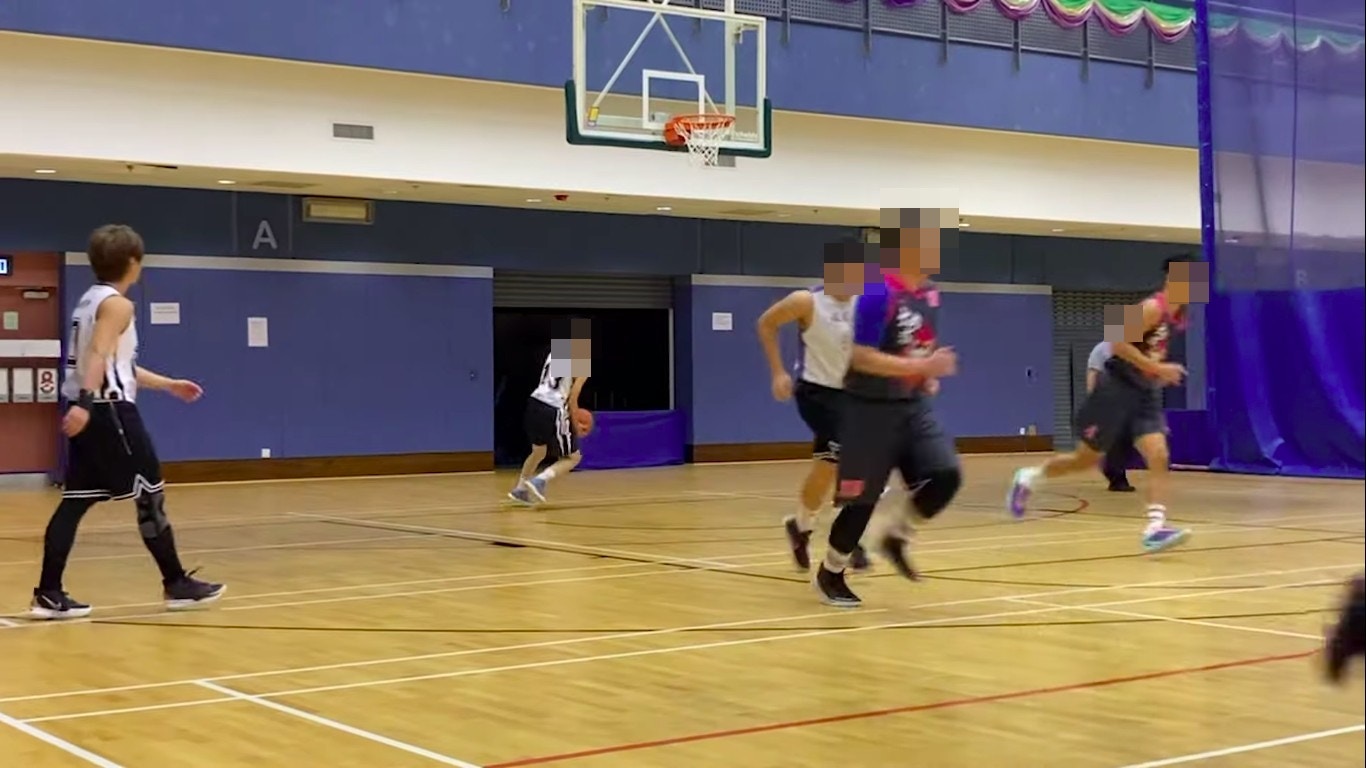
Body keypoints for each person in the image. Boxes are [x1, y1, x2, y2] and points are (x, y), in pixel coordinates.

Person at [31, 224, 225, 620]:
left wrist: (168, 384)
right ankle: (176, 583)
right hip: (111, 413)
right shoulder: (119, 305)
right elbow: (99, 355)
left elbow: (117, 365)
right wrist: (86, 405)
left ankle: (48, 593)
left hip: (96, 408)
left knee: (75, 501)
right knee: (150, 494)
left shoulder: (90, 300)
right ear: (134, 263)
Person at [1009, 257, 1208, 552]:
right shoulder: (1151, 307)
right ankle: (1030, 477)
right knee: (1084, 460)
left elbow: (1149, 350)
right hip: (1115, 389)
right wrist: (1156, 368)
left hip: (1144, 394)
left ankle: (1155, 528)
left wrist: (1156, 372)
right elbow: (1115, 340)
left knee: (1159, 454)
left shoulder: (1179, 314)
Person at [813, 214, 962, 608]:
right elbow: (860, 357)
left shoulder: (930, 294)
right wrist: (920, 366)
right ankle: (831, 570)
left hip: (911, 405)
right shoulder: (878, 293)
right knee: (861, 501)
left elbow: (920, 345)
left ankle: (896, 535)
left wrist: (926, 373)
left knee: (945, 474)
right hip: (867, 408)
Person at [758, 240, 870, 572]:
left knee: (826, 466)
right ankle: (847, 533)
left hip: (851, 395)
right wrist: (778, 372)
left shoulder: (864, 304)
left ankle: (801, 525)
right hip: (816, 393)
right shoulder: (806, 301)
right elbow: (766, 324)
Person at [508, 320, 591, 505]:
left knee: (538, 451)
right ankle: (539, 481)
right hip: (553, 408)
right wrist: (575, 425)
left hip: (535, 403)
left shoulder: (555, 353)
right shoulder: (582, 358)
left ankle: (520, 489)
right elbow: (573, 397)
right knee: (573, 457)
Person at [1086, 340, 1136, 492]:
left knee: (1128, 440)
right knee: (1116, 439)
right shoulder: (1101, 349)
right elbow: (1093, 374)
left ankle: (1112, 470)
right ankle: (1117, 478)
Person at [1325, 573, 1364, 683]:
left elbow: (1345, 627)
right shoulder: (1352, 606)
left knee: (1336, 641)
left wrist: (1331, 632)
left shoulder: (1351, 607)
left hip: (1352, 642)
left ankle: (1335, 672)